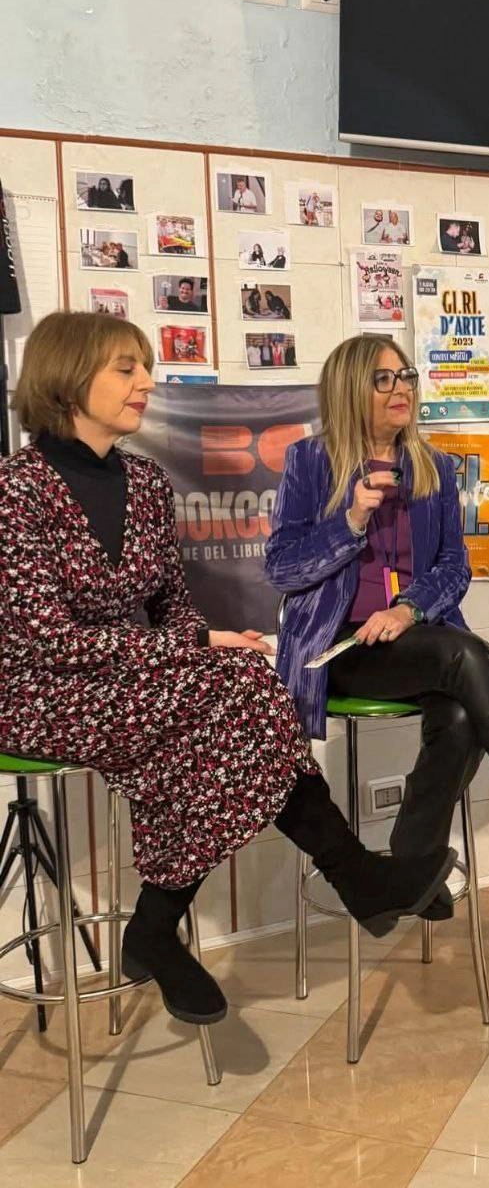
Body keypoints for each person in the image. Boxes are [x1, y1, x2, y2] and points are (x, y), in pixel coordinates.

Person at [0, 313, 455, 1027]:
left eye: (145, 368)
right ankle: (341, 875)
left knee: (245, 682)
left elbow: (170, 603)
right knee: (228, 696)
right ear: (67, 378)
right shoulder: (16, 489)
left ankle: (162, 926)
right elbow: (44, 639)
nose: (146, 383)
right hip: (39, 691)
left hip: (127, 678)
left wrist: (203, 638)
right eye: (126, 368)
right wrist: (192, 646)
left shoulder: (145, 480)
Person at [266, 334, 489, 920]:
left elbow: (455, 566)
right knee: (470, 657)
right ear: (350, 388)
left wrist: (408, 609)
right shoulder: (310, 462)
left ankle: (414, 856)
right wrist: (351, 519)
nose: (402, 389)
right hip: (339, 647)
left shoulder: (432, 466)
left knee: (463, 712)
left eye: (406, 376)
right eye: (384, 379)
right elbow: (282, 569)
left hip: (415, 636)